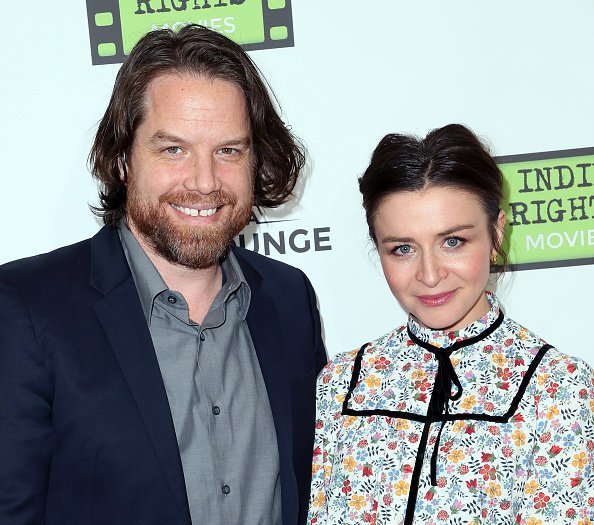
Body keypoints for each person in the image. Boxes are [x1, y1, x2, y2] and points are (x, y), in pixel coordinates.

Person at [0, 24, 326, 525]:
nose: (204, 181)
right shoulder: (26, 307)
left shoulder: (289, 298)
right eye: (173, 149)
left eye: (229, 150)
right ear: (124, 159)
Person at [307, 124, 594, 524]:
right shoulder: (342, 381)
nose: (429, 274)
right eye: (403, 249)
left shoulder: (559, 389)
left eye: (453, 241)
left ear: (496, 233)